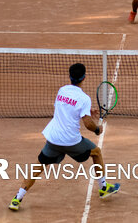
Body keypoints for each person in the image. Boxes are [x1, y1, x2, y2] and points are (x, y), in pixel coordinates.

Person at [8, 63, 120, 211]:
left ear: (70, 76)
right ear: (84, 77)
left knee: (38, 166)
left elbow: (66, 109)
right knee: (96, 152)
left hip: (53, 138)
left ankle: (17, 198)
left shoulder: (62, 91)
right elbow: (87, 124)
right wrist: (97, 129)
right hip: (71, 141)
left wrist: (86, 111)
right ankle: (103, 188)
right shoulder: (84, 98)